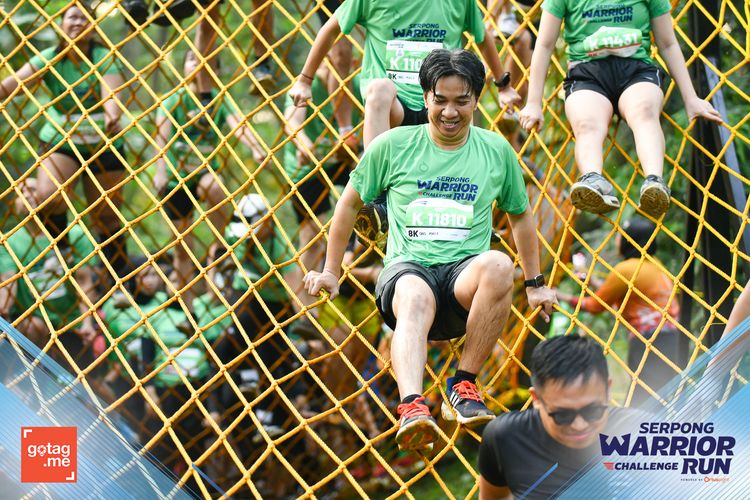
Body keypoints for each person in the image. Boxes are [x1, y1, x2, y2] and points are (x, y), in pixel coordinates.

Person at [304, 49, 556, 451]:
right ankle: (412, 406)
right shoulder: (393, 145)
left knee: (497, 263)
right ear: (425, 98)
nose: (450, 112)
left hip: (461, 282)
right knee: (415, 294)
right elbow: (348, 204)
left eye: (461, 101)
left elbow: (521, 216)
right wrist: (331, 271)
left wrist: (535, 284)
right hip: (408, 272)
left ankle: (464, 386)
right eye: (440, 100)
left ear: (477, 100)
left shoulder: (495, 151)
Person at [289, 0, 522, 243]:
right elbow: (331, 29)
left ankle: (469, 212)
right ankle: (378, 200)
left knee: (462, 103)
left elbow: (482, 37)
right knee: (378, 89)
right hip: (395, 106)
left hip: (440, 104)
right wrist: (304, 80)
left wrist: (503, 85)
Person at [519, 0, 723, 217]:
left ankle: (654, 181)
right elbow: (544, 45)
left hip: (636, 70)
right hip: (587, 73)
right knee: (587, 124)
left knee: (643, 112)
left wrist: (691, 98)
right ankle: (592, 179)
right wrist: (533, 103)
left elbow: (668, 44)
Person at [0, 2, 129, 276]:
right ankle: (63, 251)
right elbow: (12, 85)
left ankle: (118, 278)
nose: (78, 23)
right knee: (49, 198)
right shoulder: (50, 57)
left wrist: (112, 115)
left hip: (103, 143)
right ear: (61, 25)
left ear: (94, 28)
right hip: (63, 141)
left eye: (85, 19)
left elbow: (111, 92)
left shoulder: (103, 56)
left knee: (106, 216)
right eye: (72, 17)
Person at [154, 7, 265, 302]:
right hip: (177, 176)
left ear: (213, 71)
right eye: (192, 59)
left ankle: (217, 250)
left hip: (204, 171)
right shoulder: (174, 99)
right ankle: (187, 304)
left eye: (205, 62)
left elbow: (238, 126)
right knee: (182, 246)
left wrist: (255, 148)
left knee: (217, 189)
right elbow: (161, 137)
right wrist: (160, 171)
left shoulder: (217, 100)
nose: (198, 65)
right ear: (184, 66)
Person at [478, 335, 634, 499]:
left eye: (592, 411)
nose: (579, 425)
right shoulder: (507, 438)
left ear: (608, 390)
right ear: (537, 399)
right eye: (563, 415)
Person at [556, 217, 681, 405]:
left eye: (620, 235)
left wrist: (558, 295)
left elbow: (595, 306)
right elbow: (618, 295)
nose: (616, 239)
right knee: (658, 397)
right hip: (670, 338)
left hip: (649, 341)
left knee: (644, 400)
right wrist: (590, 282)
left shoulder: (626, 269)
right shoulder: (654, 263)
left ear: (629, 240)